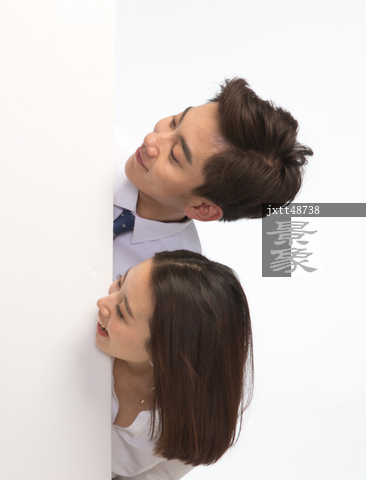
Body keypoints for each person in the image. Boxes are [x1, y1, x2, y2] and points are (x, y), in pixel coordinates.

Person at [113, 77, 313, 280]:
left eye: (174, 155)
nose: (150, 140)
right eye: (174, 122)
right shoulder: (103, 140)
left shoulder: (175, 280)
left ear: (203, 208)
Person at [96, 250, 253, 480]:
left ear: (161, 353)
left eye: (121, 312)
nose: (102, 303)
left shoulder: (191, 425)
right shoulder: (80, 335)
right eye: (120, 281)